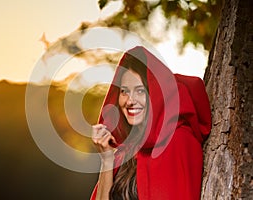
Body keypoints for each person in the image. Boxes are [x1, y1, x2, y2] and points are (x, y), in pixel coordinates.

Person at [90, 46, 211, 200]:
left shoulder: (178, 141)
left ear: (156, 93)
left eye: (140, 91)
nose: (130, 101)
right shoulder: (125, 152)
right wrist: (107, 159)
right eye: (124, 91)